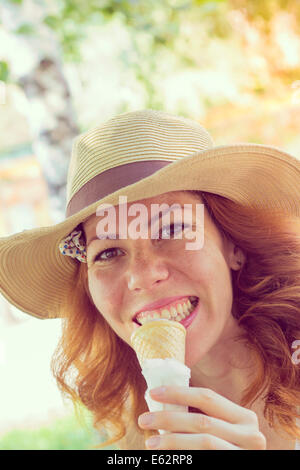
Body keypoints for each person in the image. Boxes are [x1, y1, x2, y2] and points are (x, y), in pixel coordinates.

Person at [0, 109, 299, 450]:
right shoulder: (135, 436)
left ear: (233, 246)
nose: (142, 275)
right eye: (108, 253)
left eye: (172, 229)